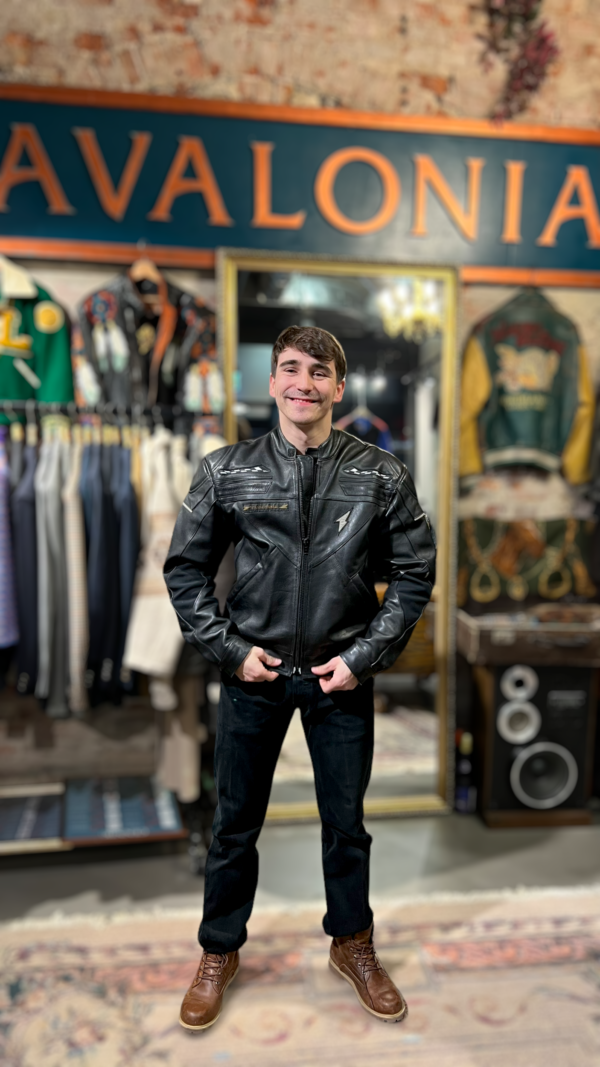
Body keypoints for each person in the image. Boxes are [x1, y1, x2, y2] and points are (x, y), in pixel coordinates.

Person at [164, 325, 436, 1030]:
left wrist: (362, 657)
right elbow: (185, 570)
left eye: (319, 371)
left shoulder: (381, 473)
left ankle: (352, 943)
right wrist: (230, 650)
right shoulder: (226, 470)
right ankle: (219, 950)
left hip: (338, 673)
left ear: (339, 387)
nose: (303, 383)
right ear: (272, 381)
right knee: (233, 824)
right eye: (290, 368)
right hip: (253, 674)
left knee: (346, 824)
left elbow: (414, 573)